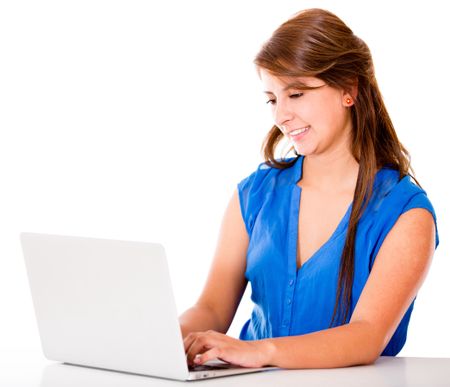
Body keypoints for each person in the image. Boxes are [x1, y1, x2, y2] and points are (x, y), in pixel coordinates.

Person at [180, 8, 439, 369]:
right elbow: (211, 309)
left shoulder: (406, 213)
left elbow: (366, 335)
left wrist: (262, 351)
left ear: (349, 90)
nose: (280, 115)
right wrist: (164, 336)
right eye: (272, 99)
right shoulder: (255, 194)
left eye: (296, 94)